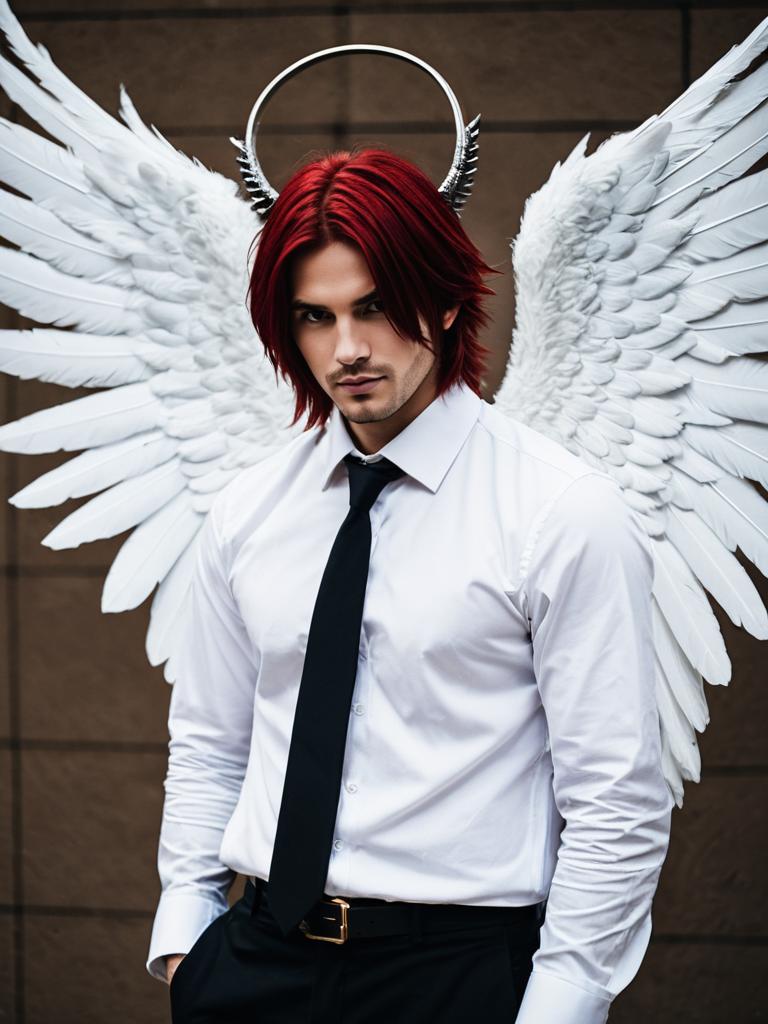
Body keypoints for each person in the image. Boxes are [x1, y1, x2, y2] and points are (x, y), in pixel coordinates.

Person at [146, 147, 674, 1024]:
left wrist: (559, 1007)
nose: (348, 349)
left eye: (378, 307)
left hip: (456, 974)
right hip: (254, 963)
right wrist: (187, 939)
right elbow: (210, 740)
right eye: (315, 317)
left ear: (446, 298)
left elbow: (617, 797)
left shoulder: (560, 511)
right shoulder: (249, 510)